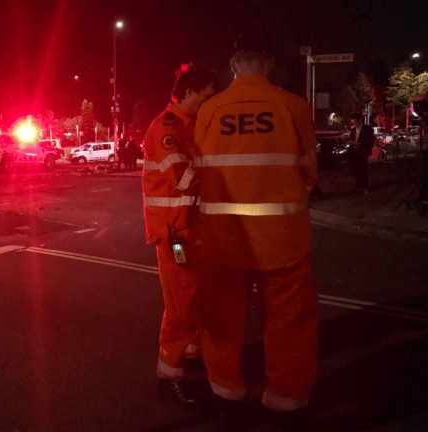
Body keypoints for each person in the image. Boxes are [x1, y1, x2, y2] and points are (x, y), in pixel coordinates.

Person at [193, 34, 319, 430]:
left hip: (223, 238)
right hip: (281, 237)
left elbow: (199, 173)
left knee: (224, 319)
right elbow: (310, 172)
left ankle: (227, 395)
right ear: (269, 64)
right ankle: (286, 402)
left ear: (233, 64)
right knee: (288, 322)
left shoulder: (210, 110)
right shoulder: (294, 107)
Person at [142, 63, 217, 405]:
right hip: (175, 232)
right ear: (188, 94)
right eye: (206, 96)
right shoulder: (166, 130)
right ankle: (168, 373)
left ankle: (190, 355)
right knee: (180, 305)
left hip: (189, 227)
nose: (209, 103)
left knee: (195, 300)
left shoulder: (189, 126)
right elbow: (183, 178)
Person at [349, 113, 375, 194]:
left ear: (360, 120)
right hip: (354, 151)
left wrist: (360, 143)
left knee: (362, 169)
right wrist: (352, 143)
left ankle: (364, 186)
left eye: (356, 121)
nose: (354, 123)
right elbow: (351, 138)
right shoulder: (353, 130)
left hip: (363, 151)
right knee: (355, 169)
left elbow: (371, 141)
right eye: (353, 121)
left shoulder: (367, 129)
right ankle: (358, 186)